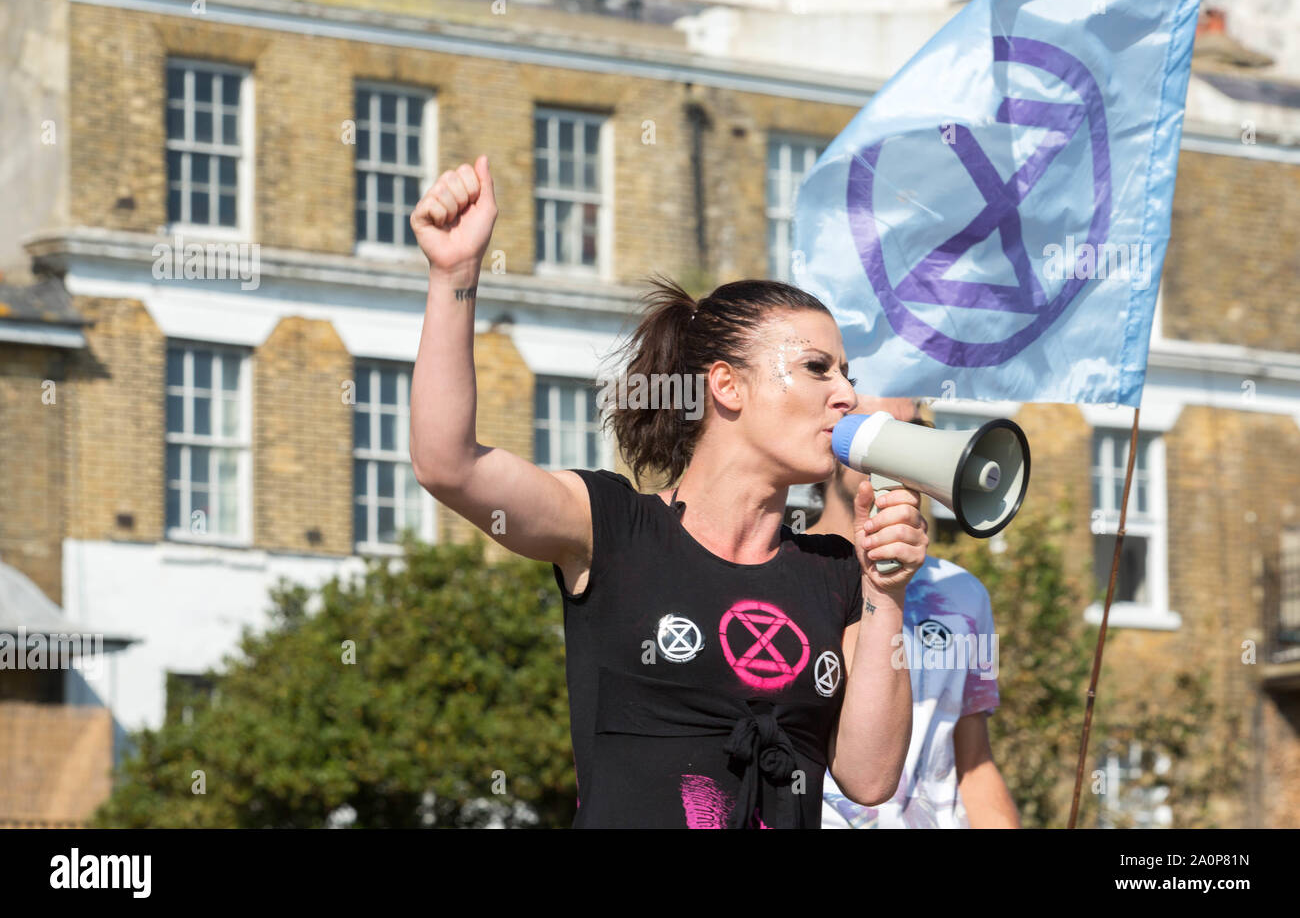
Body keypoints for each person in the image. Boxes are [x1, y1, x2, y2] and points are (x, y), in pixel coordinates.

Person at [406, 157, 928, 828]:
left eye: (847, 374)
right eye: (816, 369)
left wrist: (887, 592)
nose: (847, 395)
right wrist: (453, 274)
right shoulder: (612, 528)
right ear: (727, 386)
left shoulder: (834, 573)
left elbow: (870, 777)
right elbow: (447, 465)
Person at [807, 395, 1020, 828]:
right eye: (881, 427)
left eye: (916, 429)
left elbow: (974, 762)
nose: (906, 445)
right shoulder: (781, 573)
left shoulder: (963, 595)